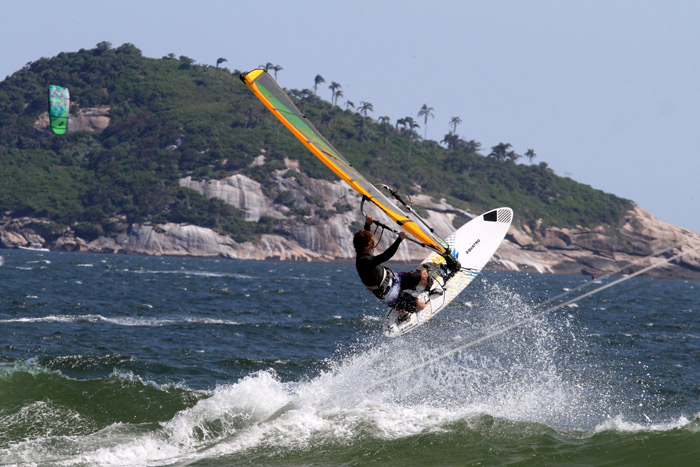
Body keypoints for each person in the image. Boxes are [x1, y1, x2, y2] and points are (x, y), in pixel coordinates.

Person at [354, 215, 433, 319]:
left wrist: (367, 224)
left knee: (424, 276)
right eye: (371, 243)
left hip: (394, 279)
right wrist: (399, 239)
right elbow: (386, 255)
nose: (373, 245)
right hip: (390, 294)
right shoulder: (363, 260)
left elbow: (367, 238)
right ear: (368, 245)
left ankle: (424, 291)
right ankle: (403, 312)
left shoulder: (363, 250)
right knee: (421, 305)